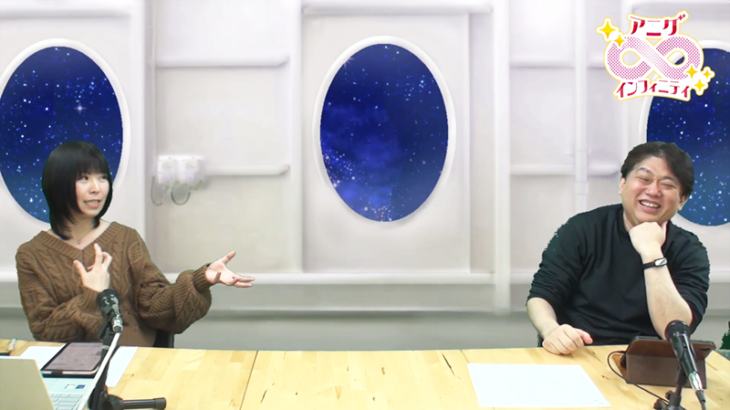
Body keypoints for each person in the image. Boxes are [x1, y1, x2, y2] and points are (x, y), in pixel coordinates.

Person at [16, 141, 254, 347]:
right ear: (58, 184)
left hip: (133, 360)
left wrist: (201, 279)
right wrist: (92, 295)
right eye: (84, 178)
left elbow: (155, 308)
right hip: (71, 369)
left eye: (102, 177)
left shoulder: (126, 238)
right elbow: (45, 331)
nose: (97, 188)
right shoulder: (31, 255)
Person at [526, 141, 710, 355]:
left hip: (647, 360)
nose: (653, 190)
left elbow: (674, 330)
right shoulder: (582, 229)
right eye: (644, 179)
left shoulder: (689, 250)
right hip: (578, 352)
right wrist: (551, 330)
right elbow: (541, 296)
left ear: (682, 200)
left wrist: (651, 252)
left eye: (667, 185)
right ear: (623, 184)